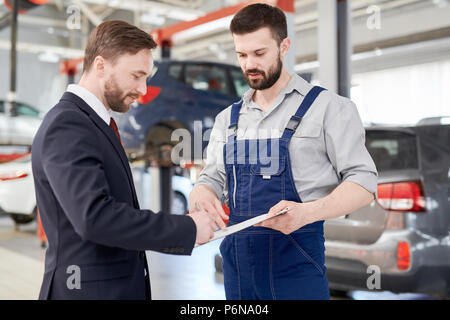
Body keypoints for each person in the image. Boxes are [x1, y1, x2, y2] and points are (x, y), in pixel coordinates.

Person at [188, 4, 378, 300]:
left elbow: (364, 184)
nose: (249, 64)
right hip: (238, 270)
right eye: (242, 55)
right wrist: (201, 190)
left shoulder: (328, 108)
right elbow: (211, 177)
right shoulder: (228, 119)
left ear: (284, 46)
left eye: (259, 53)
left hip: (297, 265)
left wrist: (306, 213)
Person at [31, 20, 217, 300]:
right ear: (101, 65)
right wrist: (186, 228)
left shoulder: (94, 124)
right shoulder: (68, 124)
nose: (143, 90)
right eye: (136, 76)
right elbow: (94, 217)